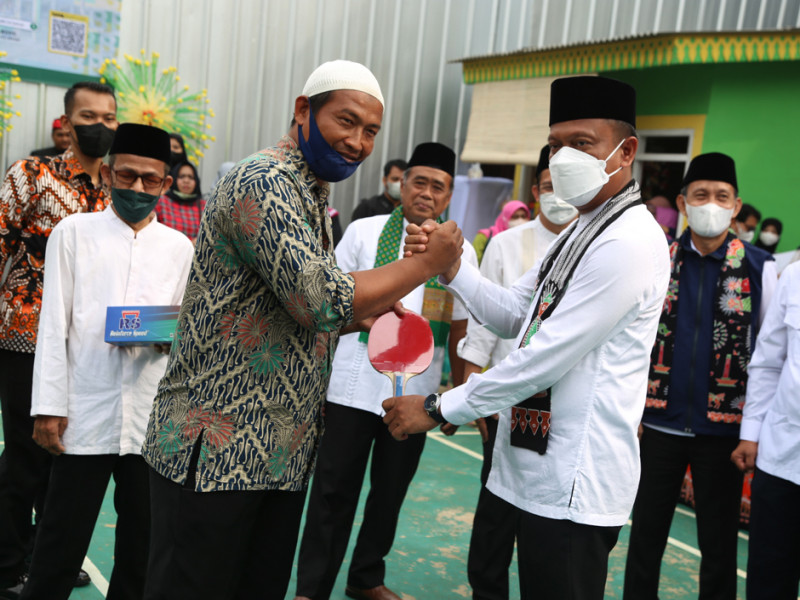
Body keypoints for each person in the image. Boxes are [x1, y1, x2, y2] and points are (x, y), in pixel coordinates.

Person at [140, 60, 462, 599]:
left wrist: (354, 318)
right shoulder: (264, 181)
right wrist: (428, 264)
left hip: (276, 452)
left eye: (371, 131)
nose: (358, 142)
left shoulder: (309, 192)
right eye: (347, 121)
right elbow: (319, 298)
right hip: (216, 450)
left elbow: (286, 305)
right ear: (303, 110)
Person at [383, 75, 671, 600]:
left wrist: (438, 406)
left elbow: (543, 359)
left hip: (573, 479)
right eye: (556, 144)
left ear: (626, 151)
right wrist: (452, 268)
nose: (563, 158)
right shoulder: (583, 229)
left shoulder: (628, 241)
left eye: (582, 143)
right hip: (530, 462)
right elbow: (517, 314)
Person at [17, 123, 193, 600]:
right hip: (85, 410)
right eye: (127, 175)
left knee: (142, 547)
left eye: (149, 179)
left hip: (149, 418)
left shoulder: (179, 248)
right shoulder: (74, 233)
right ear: (109, 174)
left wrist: (168, 334)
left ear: (165, 183)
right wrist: (48, 407)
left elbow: (182, 323)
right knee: (60, 540)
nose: (137, 187)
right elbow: (53, 325)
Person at [294, 142, 477, 600]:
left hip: (416, 394)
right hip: (351, 387)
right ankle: (311, 589)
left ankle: (366, 578)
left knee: (390, 492)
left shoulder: (460, 252)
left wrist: (457, 397)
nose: (427, 193)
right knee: (332, 493)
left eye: (438, 187)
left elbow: (461, 327)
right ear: (402, 184)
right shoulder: (365, 231)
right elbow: (328, 306)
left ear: (449, 195)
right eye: (419, 182)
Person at [624, 152, 777, 600]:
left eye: (722, 196)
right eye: (701, 194)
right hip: (657, 425)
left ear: (736, 205)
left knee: (719, 545)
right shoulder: (657, 261)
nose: (711, 204)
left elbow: (767, 354)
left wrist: (754, 430)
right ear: (683, 202)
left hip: (724, 434)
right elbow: (632, 342)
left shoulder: (760, 268)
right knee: (644, 537)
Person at [0, 80, 118, 597]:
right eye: (88, 117)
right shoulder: (31, 174)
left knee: (65, 458)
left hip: (87, 346)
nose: (100, 126)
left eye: (109, 118)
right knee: (25, 459)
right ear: (67, 124)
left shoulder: (116, 191)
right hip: (25, 336)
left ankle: (47, 560)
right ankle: (7, 567)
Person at [459, 145, 577, 600]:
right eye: (549, 186)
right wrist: (472, 390)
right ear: (536, 191)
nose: (557, 196)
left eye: (564, 187)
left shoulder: (592, 247)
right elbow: (484, 324)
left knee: (545, 526)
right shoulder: (508, 243)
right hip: (507, 402)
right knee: (495, 512)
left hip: (563, 410)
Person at [731, 261, 800, 600]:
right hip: (782, 455)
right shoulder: (795, 277)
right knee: (768, 578)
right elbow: (769, 362)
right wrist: (751, 433)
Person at [155, 161, 206, 241]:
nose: (186, 181)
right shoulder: (161, 202)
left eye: (191, 177)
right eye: (182, 176)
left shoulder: (204, 206)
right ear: (174, 178)